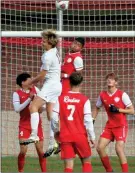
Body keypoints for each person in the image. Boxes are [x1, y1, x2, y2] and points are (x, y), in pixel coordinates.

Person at [44, 37, 85, 157]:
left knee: (56, 116)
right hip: (60, 89)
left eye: (78, 45)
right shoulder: (68, 55)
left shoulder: (77, 58)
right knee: (52, 116)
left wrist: (63, 75)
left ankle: (57, 143)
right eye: (74, 43)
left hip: (66, 92)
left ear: (81, 48)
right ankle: (58, 141)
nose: (75, 45)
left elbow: (78, 76)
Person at [21, 29, 62, 144]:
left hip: (51, 86)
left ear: (50, 43)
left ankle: (34, 135)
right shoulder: (55, 51)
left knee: (33, 107)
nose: (41, 43)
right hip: (56, 86)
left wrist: (31, 82)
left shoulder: (48, 55)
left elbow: (42, 75)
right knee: (51, 116)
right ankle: (60, 140)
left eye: (43, 41)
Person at [50, 72, 96, 172]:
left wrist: (56, 131)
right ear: (81, 83)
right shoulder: (84, 100)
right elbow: (88, 120)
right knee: (87, 161)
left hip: (65, 136)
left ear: (69, 83)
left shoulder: (60, 98)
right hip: (80, 135)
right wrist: (92, 137)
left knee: (68, 166)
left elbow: (53, 117)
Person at [92, 72, 134, 172]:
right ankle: (109, 170)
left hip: (121, 126)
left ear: (116, 82)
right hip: (109, 126)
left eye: (112, 79)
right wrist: (92, 120)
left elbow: (132, 110)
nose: (109, 80)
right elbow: (97, 108)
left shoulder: (122, 95)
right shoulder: (102, 95)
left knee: (118, 149)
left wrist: (119, 110)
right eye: (108, 79)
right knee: (99, 148)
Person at [12, 72, 46, 172]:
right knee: (23, 151)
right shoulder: (16, 94)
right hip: (24, 125)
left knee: (40, 152)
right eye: (29, 79)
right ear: (23, 82)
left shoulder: (36, 90)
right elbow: (17, 109)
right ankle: (20, 171)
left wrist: (41, 108)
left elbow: (43, 106)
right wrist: (29, 99)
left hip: (37, 125)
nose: (32, 81)